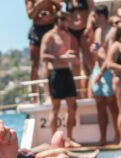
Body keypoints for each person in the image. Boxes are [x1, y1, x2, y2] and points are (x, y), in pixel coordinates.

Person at [41, 12, 81, 146]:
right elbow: (43, 56)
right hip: (55, 73)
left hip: (66, 71)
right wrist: (60, 58)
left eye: (68, 20)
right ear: (58, 20)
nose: (67, 23)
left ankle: (69, 138)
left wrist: (71, 57)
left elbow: (66, 54)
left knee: (72, 106)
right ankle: (55, 141)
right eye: (65, 20)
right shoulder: (49, 36)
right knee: (55, 107)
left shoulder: (66, 36)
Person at [90, 5, 121, 145]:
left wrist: (101, 72)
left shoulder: (112, 32)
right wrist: (95, 49)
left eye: (95, 16)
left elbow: (109, 56)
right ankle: (103, 138)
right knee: (100, 104)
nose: (93, 19)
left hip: (108, 70)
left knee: (112, 105)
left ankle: (118, 137)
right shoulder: (97, 31)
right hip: (98, 69)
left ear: (102, 16)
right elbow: (97, 48)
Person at [26, 0, 62, 98]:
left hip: (50, 28)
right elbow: (30, 15)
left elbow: (60, 7)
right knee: (34, 64)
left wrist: (50, 13)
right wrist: (38, 6)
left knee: (49, 62)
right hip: (36, 30)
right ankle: (34, 96)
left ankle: (49, 94)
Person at [64, 0, 95, 92]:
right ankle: (78, 91)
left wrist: (89, 25)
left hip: (85, 29)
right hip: (71, 30)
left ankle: (94, 88)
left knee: (89, 60)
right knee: (75, 63)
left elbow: (92, 9)